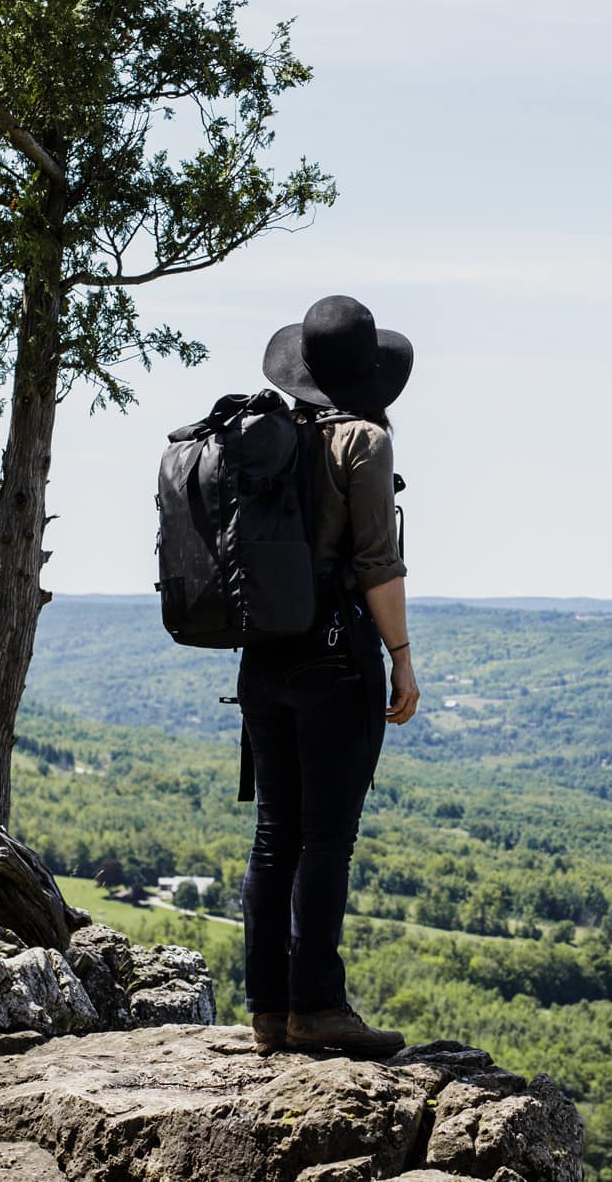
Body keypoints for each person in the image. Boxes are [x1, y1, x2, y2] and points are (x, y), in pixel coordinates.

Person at [242, 294, 423, 1058]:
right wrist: (402, 657)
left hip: (262, 660)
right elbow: (378, 562)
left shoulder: (268, 437)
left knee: (276, 833)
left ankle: (268, 1007)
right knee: (327, 840)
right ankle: (317, 1007)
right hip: (334, 659)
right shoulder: (362, 443)